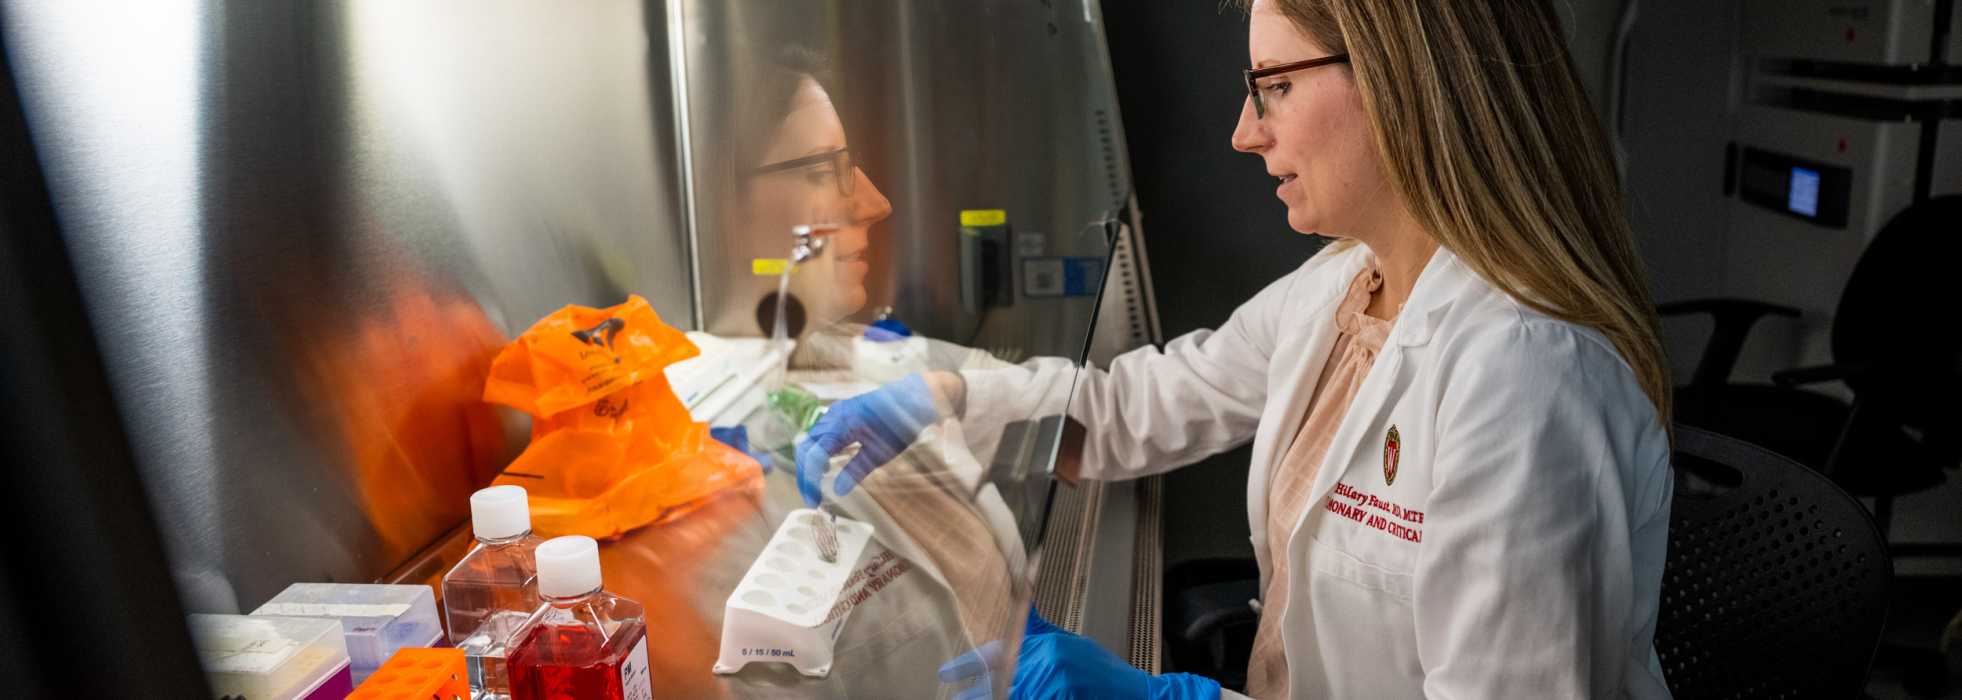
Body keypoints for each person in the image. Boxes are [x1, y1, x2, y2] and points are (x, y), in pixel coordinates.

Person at [797, 0, 1676, 697]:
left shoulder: (1525, 375)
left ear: (1400, 79)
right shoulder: (1341, 288)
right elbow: (1133, 408)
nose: (1244, 133)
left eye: (1274, 86)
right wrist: (941, 399)